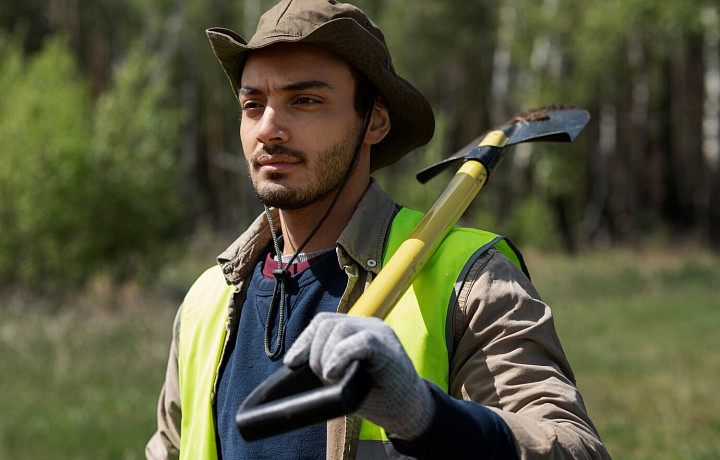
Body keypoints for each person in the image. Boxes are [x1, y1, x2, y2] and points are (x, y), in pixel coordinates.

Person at [146, 1, 610, 459]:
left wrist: (426, 415)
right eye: (253, 104)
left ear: (375, 120)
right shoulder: (207, 303)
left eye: (305, 100)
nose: (269, 128)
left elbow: (576, 448)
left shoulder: (469, 280)